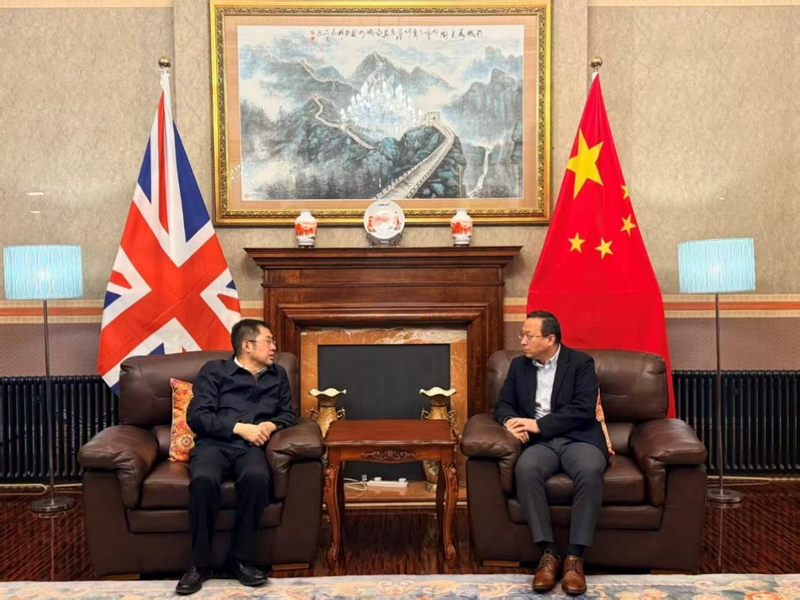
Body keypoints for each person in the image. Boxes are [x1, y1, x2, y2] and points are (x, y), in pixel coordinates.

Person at [176, 319, 296, 595]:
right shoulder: (215, 371)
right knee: (204, 480)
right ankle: (200, 565)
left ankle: (239, 560)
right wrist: (239, 428)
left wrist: (271, 425)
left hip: (251, 448)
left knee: (257, 479)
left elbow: (287, 414)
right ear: (247, 345)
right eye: (269, 341)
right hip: (213, 444)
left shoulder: (277, 375)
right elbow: (197, 416)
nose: (274, 347)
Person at [494, 311, 608, 596]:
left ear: (550, 339)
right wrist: (510, 422)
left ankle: (574, 557)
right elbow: (503, 405)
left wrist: (538, 424)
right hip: (540, 444)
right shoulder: (518, 366)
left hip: (578, 438)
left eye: (528, 335)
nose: (522, 341)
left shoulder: (581, 364)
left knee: (590, 471)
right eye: (521, 335)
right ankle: (548, 553)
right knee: (525, 469)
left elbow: (583, 409)